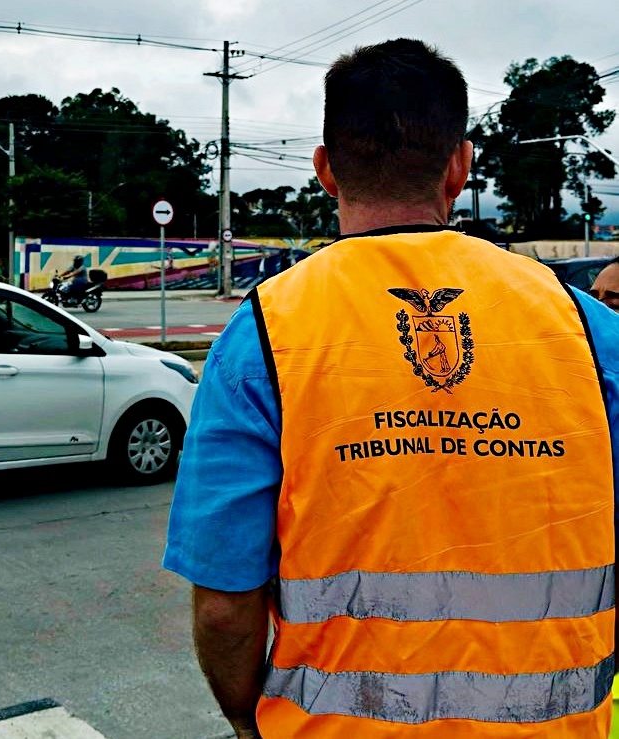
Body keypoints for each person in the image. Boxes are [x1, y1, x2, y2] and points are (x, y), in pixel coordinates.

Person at [163, 38, 619, 739]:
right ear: (460, 166)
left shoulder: (262, 336)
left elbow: (226, 598)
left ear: (324, 170)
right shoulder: (586, 327)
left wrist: (241, 715)